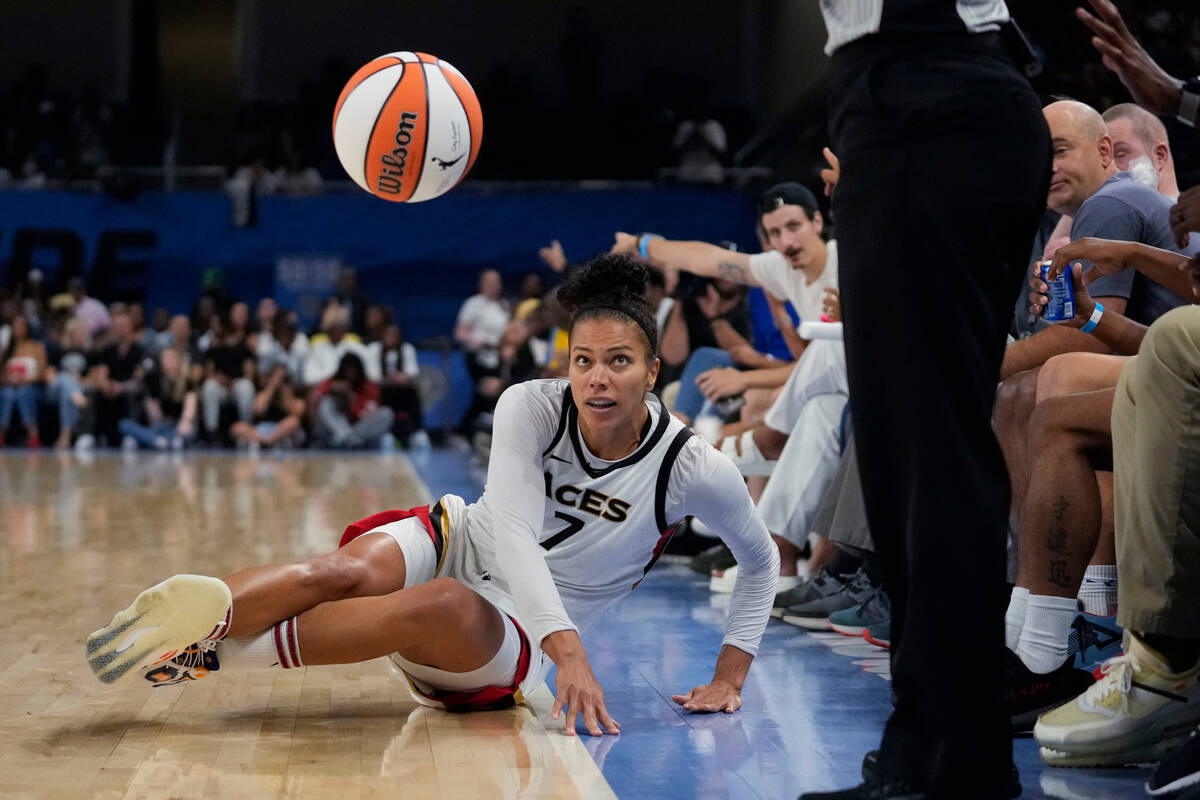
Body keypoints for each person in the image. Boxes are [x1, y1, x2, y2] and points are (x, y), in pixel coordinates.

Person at [85, 255, 778, 739]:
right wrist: (578, 658)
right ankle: (204, 616)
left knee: (439, 603)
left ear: (653, 371)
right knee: (340, 572)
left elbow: (761, 560)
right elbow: (508, 531)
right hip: (466, 542)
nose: (597, 379)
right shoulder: (530, 406)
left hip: (511, 637)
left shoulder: (691, 468)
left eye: (619, 362)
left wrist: (728, 674)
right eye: (583, 361)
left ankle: (220, 653)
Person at [800, 3, 1052, 798]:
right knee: (902, 449)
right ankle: (928, 742)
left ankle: (960, 753)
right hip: (922, 95)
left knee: (929, 447)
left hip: (924, 93)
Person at [118, 346, 198, 451]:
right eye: (165, 358)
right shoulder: (157, 381)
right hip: (164, 426)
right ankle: (159, 441)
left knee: (184, 433)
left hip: (181, 426)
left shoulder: (188, 382)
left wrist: (185, 421)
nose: (167, 361)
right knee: (124, 424)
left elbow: (189, 412)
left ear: (179, 361)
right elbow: (156, 418)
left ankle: (148, 440)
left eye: (171, 358)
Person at [308, 352, 394, 449]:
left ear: (359, 370)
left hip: (359, 427)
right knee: (326, 402)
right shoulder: (333, 382)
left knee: (387, 413)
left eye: (353, 370)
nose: (350, 373)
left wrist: (351, 399)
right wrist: (331, 389)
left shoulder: (370, 387)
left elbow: (365, 413)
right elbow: (314, 397)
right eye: (347, 370)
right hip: (337, 427)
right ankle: (345, 439)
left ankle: (347, 440)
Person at [0, 315, 47, 447]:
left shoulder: (36, 347)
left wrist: (24, 380)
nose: (18, 329)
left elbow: (42, 373)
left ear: (27, 328)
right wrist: (9, 379)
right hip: (10, 386)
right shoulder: (8, 350)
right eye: (15, 326)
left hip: (32, 386)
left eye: (21, 325)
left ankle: (33, 434)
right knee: (7, 394)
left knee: (24, 392)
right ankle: (2, 433)